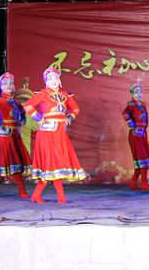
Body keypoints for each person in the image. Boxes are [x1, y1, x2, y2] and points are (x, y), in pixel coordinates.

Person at [23, 67, 87, 203]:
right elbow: (27, 105)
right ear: (45, 81)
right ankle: (52, 197)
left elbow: (75, 108)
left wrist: (69, 118)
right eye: (50, 78)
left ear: (60, 80)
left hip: (60, 133)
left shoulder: (65, 95)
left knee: (57, 164)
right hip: (47, 134)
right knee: (50, 163)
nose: (53, 80)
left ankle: (53, 197)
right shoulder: (42, 93)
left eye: (56, 78)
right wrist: (38, 117)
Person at [0, 72, 32, 198]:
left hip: (15, 133)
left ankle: (18, 190)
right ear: (1, 86)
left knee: (17, 161)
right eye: (5, 83)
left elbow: (22, 112)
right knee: (6, 161)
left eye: (10, 83)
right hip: (5, 134)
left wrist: (22, 119)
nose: (8, 85)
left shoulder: (15, 101)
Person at [121, 81, 149, 191]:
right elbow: (125, 113)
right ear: (132, 93)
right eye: (136, 92)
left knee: (141, 159)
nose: (139, 94)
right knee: (142, 158)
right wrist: (132, 125)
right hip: (136, 134)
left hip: (142, 134)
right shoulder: (131, 105)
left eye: (140, 91)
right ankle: (144, 183)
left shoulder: (142, 105)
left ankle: (133, 183)